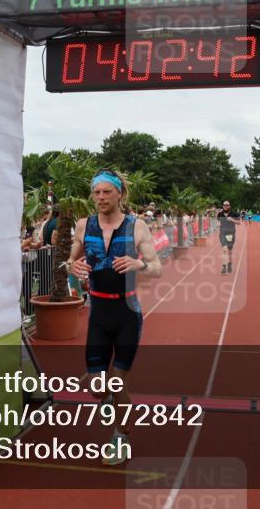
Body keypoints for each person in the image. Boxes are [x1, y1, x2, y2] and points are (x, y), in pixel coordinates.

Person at [68, 169, 161, 466]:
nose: (100, 197)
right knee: (98, 388)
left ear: (120, 194)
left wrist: (139, 263)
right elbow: (71, 259)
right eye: (96, 193)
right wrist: (72, 266)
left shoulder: (137, 227)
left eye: (107, 192)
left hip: (127, 314)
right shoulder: (84, 226)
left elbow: (157, 267)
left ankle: (121, 435)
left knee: (119, 382)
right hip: (98, 314)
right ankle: (111, 400)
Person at [217, 201, 241, 274]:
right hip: (222, 233)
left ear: (229, 206)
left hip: (231, 233)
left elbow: (239, 223)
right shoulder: (220, 214)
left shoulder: (234, 213)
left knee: (229, 250)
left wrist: (232, 220)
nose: (225, 206)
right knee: (224, 249)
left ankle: (229, 263)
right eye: (224, 205)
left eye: (227, 205)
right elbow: (218, 221)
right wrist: (218, 224)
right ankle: (224, 266)